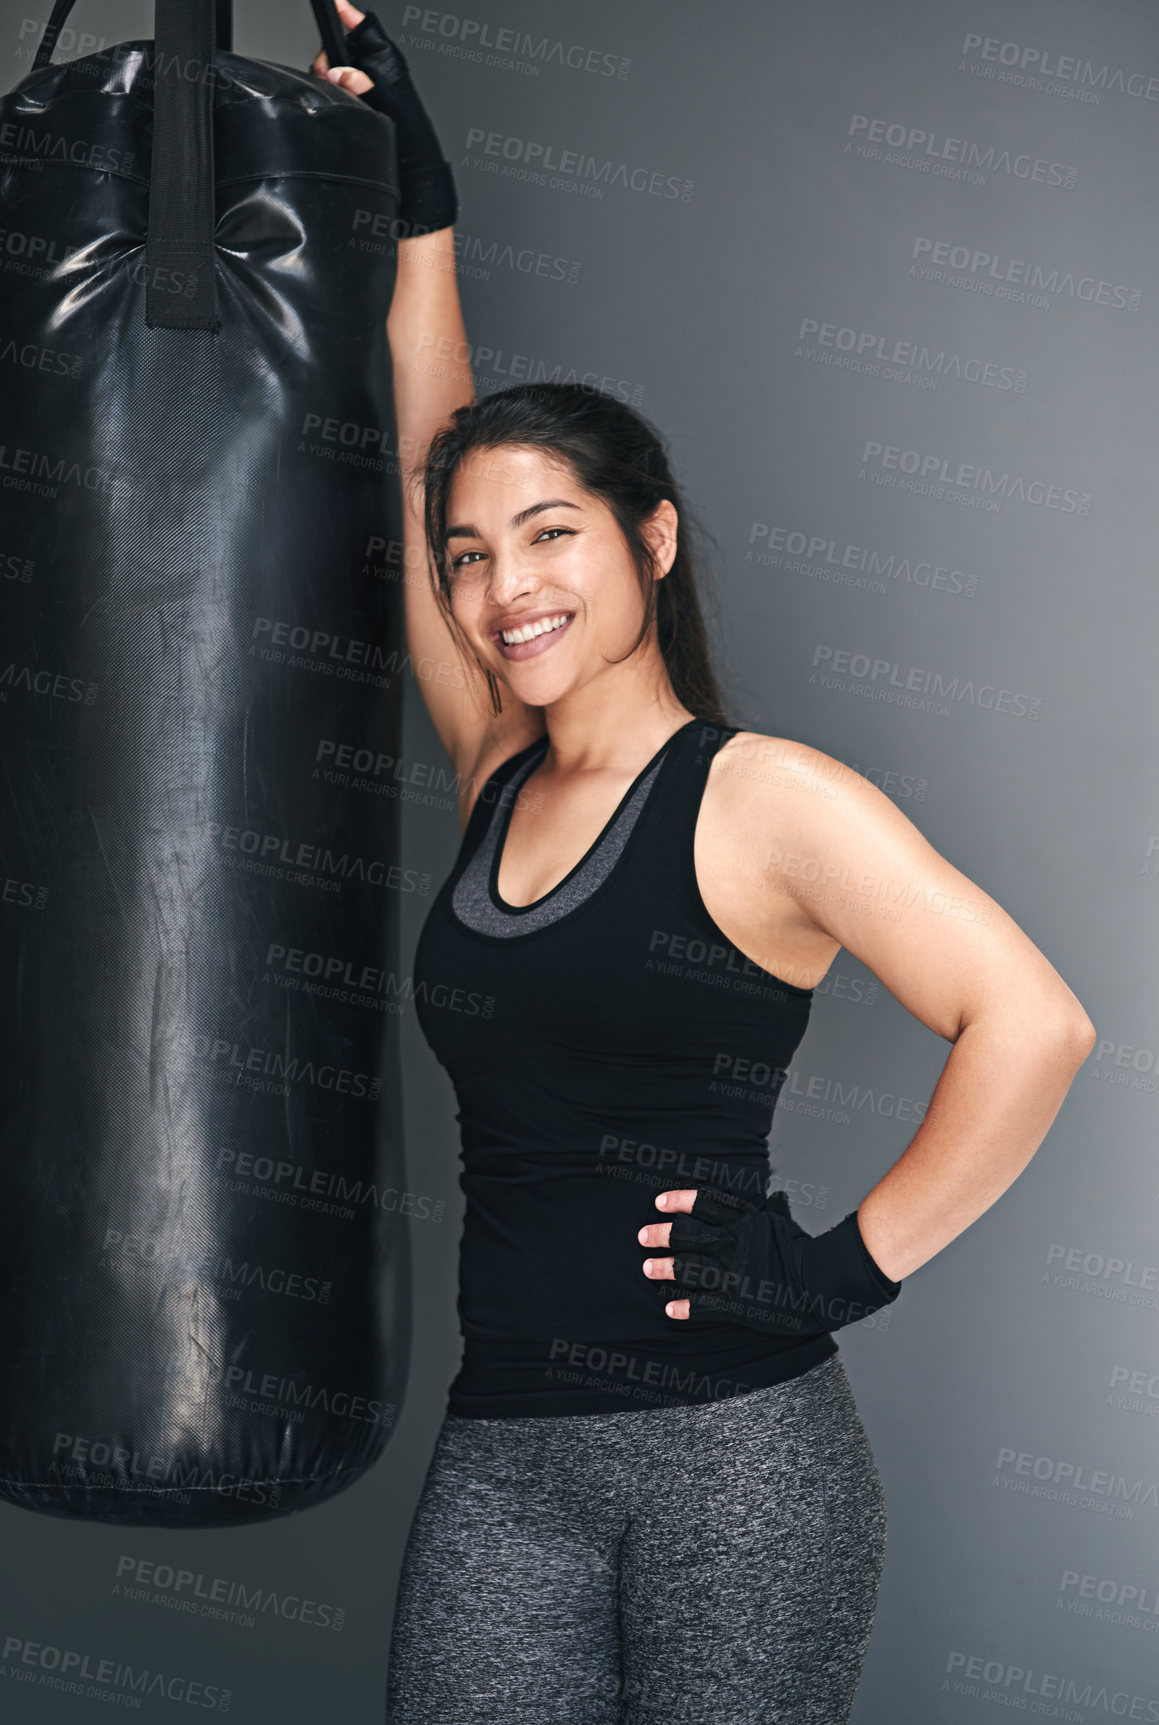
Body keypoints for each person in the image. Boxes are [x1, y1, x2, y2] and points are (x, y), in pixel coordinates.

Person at [313, 8, 1097, 1720]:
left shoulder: (760, 799)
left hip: (739, 1464)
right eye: (471, 558)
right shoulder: (496, 770)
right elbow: (425, 439)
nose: (503, 584)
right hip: (506, 1461)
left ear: (650, 541)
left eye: (552, 535)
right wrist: (424, 220)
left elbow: (1033, 1023)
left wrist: (836, 1267)